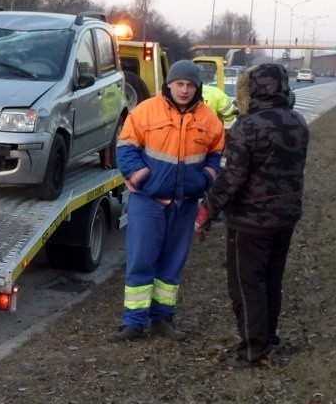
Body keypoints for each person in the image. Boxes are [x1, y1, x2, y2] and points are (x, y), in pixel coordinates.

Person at [194, 63, 309, 368]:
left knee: (247, 286)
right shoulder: (297, 122)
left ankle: (253, 350)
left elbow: (230, 180)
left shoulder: (248, 127)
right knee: (271, 279)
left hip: (251, 221)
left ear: (253, 88)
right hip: (286, 216)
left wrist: (206, 212)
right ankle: (268, 337)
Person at [109, 60, 225, 342]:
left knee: (172, 265)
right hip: (148, 201)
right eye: (179, 84)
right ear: (169, 84)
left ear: (197, 87)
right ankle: (134, 322)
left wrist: (204, 179)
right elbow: (125, 146)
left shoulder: (209, 119)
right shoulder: (146, 111)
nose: (184, 90)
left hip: (185, 204)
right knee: (141, 261)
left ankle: (163, 318)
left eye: (190, 85)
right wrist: (139, 175)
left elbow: (216, 154)